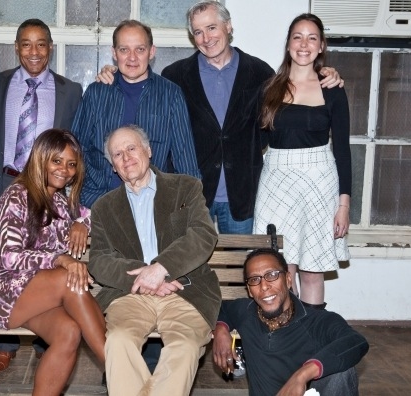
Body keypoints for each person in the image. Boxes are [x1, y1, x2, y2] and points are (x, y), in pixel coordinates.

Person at [97, 1, 342, 235]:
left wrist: (323, 73)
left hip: (242, 196)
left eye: (212, 28)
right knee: (188, 271)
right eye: (198, 32)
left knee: (242, 272)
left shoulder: (259, 73)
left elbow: (274, 122)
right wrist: (113, 72)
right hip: (191, 195)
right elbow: (147, 92)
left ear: (228, 26)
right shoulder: (176, 76)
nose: (206, 38)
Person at [0, 129, 106, 396]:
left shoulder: (63, 204)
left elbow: (99, 216)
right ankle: (120, 372)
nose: (64, 171)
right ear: (40, 158)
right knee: (69, 276)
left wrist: (81, 222)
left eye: (71, 164)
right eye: (57, 161)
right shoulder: (16, 196)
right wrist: (59, 258)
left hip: (33, 295)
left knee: (68, 332)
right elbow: (9, 256)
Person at [0, 18, 83, 374]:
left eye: (41, 44)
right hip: (6, 184)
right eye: (26, 44)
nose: (34, 51)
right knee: (6, 266)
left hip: (49, 192)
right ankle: (5, 345)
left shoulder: (71, 91)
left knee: (41, 257)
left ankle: (45, 342)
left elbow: (72, 148)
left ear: (51, 47)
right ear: (16, 47)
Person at [88, 125, 221, 395]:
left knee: (183, 347)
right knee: (118, 341)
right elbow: (100, 260)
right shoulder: (104, 207)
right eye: (117, 154)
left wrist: (162, 269)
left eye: (131, 148)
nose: (125, 158)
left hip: (185, 291)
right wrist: (144, 278)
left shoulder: (185, 187)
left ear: (148, 151)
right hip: (130, 294)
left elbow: (203, 234)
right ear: (113, 166)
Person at [253, 13, 351, 309]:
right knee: (279, 270)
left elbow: (343, 150)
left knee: (312, 271)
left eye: (312, 37)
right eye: (297, 36)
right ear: (288, 44)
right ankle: (281, 342)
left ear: (321, 45)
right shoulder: (268, 87)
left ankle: (310, 345)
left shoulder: (333, 89)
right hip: (276, 181)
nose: (304, 44)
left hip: (320, 181)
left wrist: (343, 206)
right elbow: (255, 142)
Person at [71, 19, 200, 209]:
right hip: (97, 203)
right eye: (124, 50)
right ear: (114, 53)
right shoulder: (96, 92)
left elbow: (185, 159)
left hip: (152, 205)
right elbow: (76, 149)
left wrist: (189, 206)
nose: (132, 58)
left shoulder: (170, 95)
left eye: (140, 49)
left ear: (152, 51)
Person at [213, 249, 369, 396]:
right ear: (249, 289)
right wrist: (221, 329)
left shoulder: (317, 321)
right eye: (255, 279)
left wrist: (302, 375)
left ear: (288, 280)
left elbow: (355, 342)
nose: (264, 286)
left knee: (340, 372)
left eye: (272, 275)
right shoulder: (245, 311)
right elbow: (222, 309)